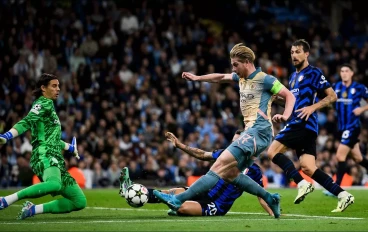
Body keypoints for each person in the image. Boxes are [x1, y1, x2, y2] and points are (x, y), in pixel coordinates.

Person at [153, 43, 296, 219]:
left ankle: (178, 199)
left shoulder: (265, 79)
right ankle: (270, 198)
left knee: (219, 165)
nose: (233, 68)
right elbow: (221, 77)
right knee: (230, 174)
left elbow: (289, 95)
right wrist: (198, 78)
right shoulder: (241, 78)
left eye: (236, 64)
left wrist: (285, 116)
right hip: (252, 133)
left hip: (259, 131)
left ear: (247, 61)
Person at [266, 39, 354, 212]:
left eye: (298, 51)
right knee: (308, 167)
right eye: (292, 52)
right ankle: (343, 195)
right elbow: (294, 103)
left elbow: (332, 96)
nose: (294, 55)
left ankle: (301, 183)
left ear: (307, 54)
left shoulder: (314, 72)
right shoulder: (292, 78)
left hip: (303, 123)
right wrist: (279, 101)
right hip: (300, 124)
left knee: (272, 151)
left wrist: (312, 107)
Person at [119, 131, 274, 216]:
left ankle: (176, 208)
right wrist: (179, 145)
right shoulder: (225, 154)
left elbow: (261, 196)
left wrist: (273, 212)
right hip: (202, 192)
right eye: (233, 142)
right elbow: (201, 154)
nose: (234, 146)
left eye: (237, 143)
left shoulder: (254, 170)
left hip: (216, 205)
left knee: (182, 208)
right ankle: (128, 190)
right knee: (170, 192)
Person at [0, 73, 87, 220]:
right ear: (43, 88)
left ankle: (33, 209)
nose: (58, 89)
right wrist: (7, 135)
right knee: (54, 185)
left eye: (58, 86)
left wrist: (69, 148)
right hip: (44, 154)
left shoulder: (50, 107)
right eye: (54, 86)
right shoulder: (42, 104)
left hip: (57, 158)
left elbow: (53, 139)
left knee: (79, 201)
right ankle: (6, 200)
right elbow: (26, 121)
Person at [332, 64, 368, 188]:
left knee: (340, 155)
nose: (344, 73)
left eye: (347, 71)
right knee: (358, 158)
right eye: (342, 71)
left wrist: (362, 109)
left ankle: (336, 187)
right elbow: (328, 99)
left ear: (352, 73)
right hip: (341, 128)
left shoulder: (359, 88)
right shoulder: (336, 87)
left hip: (353, 127)